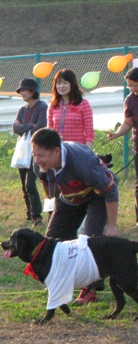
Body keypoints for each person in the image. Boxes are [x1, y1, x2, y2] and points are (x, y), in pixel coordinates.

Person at [31, 128, 118, 304]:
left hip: (97, 196)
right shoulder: (39, 165)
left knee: (89, 241)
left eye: (41, 155)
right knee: (52, 241)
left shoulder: (82, 162)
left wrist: (111, 225)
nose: (37, 160)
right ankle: (60, 283)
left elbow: (110, 191)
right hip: (69, 198)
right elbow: (50, 188)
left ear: (57, 151)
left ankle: (90, 289)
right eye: (34, 155)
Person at [12, 78, 48, 227]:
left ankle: (37, 216)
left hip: (36, 151)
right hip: (23, 151)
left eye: (24, 90)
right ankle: (30, 213)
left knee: (30, 184)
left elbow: (39, 127)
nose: (21, 93)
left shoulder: (42, 107)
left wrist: (25, 126)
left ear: (33, 92)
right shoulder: (23, 109)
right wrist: (29, 125)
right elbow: (15, 128)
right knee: (24, 185)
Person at [106, 67, 138, 225]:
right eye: (130, 86)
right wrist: (118, 133)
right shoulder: (130, 100)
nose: (132, 89)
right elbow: (128, 123)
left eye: (135, 85)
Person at [47, 69, 94, 148]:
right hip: (58, 149)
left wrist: (87, 151)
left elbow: (89, 131)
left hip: (78, 149)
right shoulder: (52, 105)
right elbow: (49, 131)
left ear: (72, 84)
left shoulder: (83, 104)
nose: (61, 86)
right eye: (58, 83)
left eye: (65, 83)